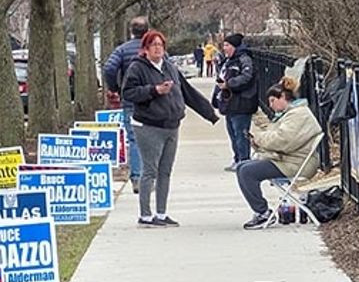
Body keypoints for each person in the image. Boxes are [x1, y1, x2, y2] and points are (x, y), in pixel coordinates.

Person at [123, 30, 219, 227]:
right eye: (154, 45)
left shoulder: (169, 67)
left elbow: (187, 92)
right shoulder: (137, 68)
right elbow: (129, 93)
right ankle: (145, 215)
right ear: (146, 49)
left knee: (165, 171)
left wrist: (209, 113)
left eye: (160, 45)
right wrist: (154, 90)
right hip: (148, 126)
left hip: (171, 125)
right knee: (150, 170)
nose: (158, 48)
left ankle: (161, 212)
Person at [237, 76, 323, 229]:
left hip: (297, 164)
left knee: (246, 172)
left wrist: (258, 138)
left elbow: (283, 141)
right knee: (242, 166)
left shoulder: (299, 115)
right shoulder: (291, 114)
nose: (270, 105)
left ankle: (263, 213)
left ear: (282, 97)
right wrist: (258, 142)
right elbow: (277, 139)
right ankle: (261, 211)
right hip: (288, 160)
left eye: (272, 101)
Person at [102, 17, 149, 193]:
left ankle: (137, 177)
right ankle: (150, 176)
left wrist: (115, 87)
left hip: (130, 99)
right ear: (147, 31)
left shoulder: (122, 50)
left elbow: (109, 68)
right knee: (153, 138)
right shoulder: (153, 49)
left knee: (134, 139)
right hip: (152, 100)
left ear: (131, 31)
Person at [212, 33, 257, 172]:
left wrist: (229, 84)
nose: (224, 48)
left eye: (227, 45)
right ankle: (238, 158)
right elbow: (222, 76)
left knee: (240, 133)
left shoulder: (244, 59)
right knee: (233, 133)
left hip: (242, 103)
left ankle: (244, 160)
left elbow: (247, 77)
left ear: (235, 47)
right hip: (230, 104)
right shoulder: (228, 61)